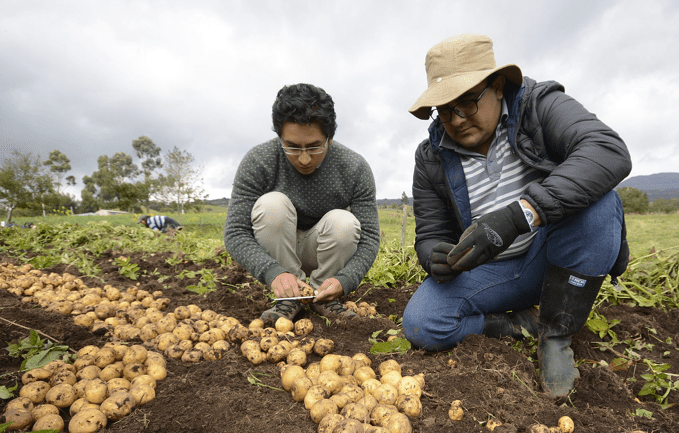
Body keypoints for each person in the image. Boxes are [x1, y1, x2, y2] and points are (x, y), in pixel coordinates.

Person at [403, 34, 631, 397]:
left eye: (466, 103)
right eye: (444, 111)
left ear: (496, 87)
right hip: (495, 268)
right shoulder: (431, 155)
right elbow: (430, 230)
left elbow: (607, 151)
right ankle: (520, 324)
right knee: (423, 324)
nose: (456, 119)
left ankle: (557, 335)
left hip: (556, 253)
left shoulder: (539, 105)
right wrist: (433, 255)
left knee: (600, 202)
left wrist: (520, 216)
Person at [224, 83, 380, 326]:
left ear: (330, 138)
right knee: (271, 205)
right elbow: (235, 232)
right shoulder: (259, 160)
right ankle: (292, 295)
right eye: (293, 147)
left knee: (344, 222)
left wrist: (346, 279)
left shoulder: (354, 167)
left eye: (314, 146)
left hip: (322, 250)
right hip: (278, 249)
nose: (304, 159)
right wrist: (273, 272)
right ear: (279, 137)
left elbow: (369, 236)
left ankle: (323, 296)